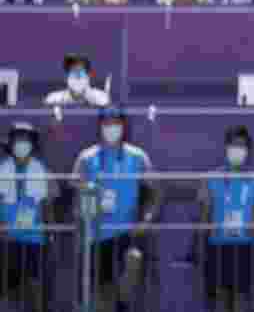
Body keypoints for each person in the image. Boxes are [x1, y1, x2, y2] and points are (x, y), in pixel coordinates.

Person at [73, 107, 161, 312]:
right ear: (100, 126)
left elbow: (156, 192)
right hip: (95, 235)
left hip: (126, 233)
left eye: (116, 123)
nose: (111, 128)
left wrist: (146, 220)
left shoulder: (138, 156)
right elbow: (76, 196)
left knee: (134, 260)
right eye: (107, 123)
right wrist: (86, 204)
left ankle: (122, 304)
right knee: (103, 295)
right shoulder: (86, 157)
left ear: (124, 126)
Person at [197, 126, 254, 312]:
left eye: (242, 146)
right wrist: (199, 245)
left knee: (240, 301)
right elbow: (203, 215)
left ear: (248, 150)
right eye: (233, 145)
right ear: (226, 147)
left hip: (245, 247)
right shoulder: (212, 178)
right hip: (216, 246)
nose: (237, 150)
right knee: (219, 300)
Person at [0, 122, 59, 312]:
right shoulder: (2, 169)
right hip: (6, 239)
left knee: (36, 287)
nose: (21, 144)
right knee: (7, 289)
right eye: (17, 140)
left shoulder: (43, 171)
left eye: (25, 140)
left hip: (35, 240)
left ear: (33, 144)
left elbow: (48, 206)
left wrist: (51, 234)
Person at [43, 53, 111, 107]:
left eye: (81, 72)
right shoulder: (53, 98)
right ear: (66, 78)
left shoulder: (101, 98)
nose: (77, 76)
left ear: (89, 76)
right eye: (73, 72)